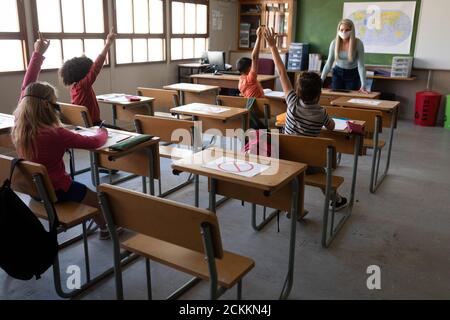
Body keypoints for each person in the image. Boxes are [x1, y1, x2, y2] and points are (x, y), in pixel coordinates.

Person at [13, 35, 115, 240]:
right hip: (58, 190)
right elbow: (94, 142)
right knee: (96, 198)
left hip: (34, 191)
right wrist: (102, 130)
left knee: (83, 191)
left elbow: (27, 88)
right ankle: (107, 229)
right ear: (47, 106)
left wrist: (37, 54)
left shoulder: (19, 126)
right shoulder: (55, 134)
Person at [264, 27, 348, 211]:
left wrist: (272, 46)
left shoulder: (292, 103)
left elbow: (281, 71)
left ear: (298, 91)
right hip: (308, 164)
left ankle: (290, 205)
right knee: (323, 174)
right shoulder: (322, 112)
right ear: (319, 94)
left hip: (285, 158)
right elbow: (332, 127)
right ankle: (336, 200)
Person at [59, 29, 117, 126]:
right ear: (84, 72)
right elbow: (96, 67)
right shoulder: (83, 86)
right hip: (94, 125)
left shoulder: (74, 88)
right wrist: (108, 44)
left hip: (85, 124)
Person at [321, 19, 368, 93]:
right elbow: (328, 63)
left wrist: (363, 85)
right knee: (335, 96)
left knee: (350, 99)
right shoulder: (334, 43)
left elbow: (361, 66)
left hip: (353, 75)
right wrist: (321, 80)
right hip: (337, 73)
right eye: (341, 30)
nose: (344, 32)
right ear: (338, 30)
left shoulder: (358, 43)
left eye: (347, 30)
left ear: (351, 30)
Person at [237, 26, 265, 98]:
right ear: (250, 68)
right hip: (259, 108)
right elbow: (254, 57)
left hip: (250, 107)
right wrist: (258, 38)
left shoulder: (240, 81)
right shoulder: (250, 79)